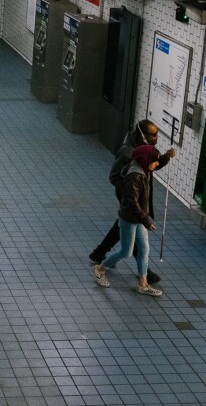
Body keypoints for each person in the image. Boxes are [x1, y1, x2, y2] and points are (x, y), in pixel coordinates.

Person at [89, 119, 175, 284]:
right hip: (129, 196)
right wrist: (131, 189)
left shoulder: (144, 148)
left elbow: (152, 165)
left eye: (157, 134)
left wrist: (164, 158)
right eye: (153, 135)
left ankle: (99, 253)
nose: (156, 138)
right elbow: (114, 176)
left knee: (123, 224)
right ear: (141, 135)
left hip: (138, 194)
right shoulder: (127, 152)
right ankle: (145, 272)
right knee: (133, 225)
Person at [91, 144, 163, 297]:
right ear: (146, 160)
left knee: (144, 250)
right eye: (155, 161)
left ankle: (143, 283)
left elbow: (155, 164)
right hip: (130, 220)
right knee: (126, 251)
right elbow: (132, 202)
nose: (157, 164)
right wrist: (146, 220)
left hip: (139, 218)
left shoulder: (143, 169)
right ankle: (100, 269)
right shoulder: (134, 176)